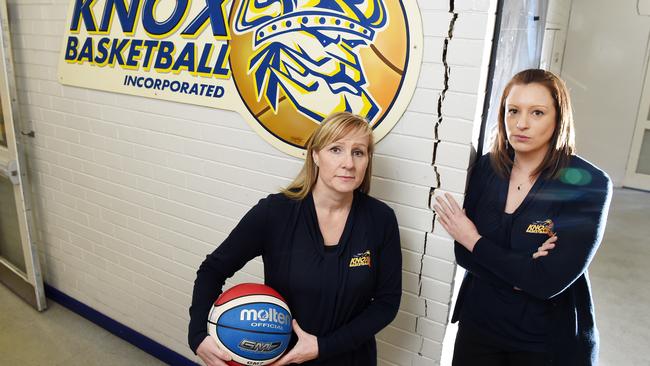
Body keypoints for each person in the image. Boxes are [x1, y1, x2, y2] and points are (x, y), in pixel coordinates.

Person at [188, 112, 402, 366]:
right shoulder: (275, 213)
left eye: (358, 152)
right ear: (315, 155)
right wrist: (198, 335)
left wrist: (323, 347)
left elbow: (387, 303)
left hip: (353, 359)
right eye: (336, 149)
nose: (348, 163)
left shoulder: (380, 219)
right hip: (284, 360)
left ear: (367, 160)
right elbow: (212, 270)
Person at [434, 69, 612, 366]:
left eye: (537, 112)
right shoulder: (485, 169)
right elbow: (463, 256)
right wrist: (524, 271)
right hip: (480, 328)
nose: (521, 123)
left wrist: (472, 238)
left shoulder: (588, 184)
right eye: (513, 111)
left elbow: (547, 282)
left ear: (558, 119)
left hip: (545, 342)